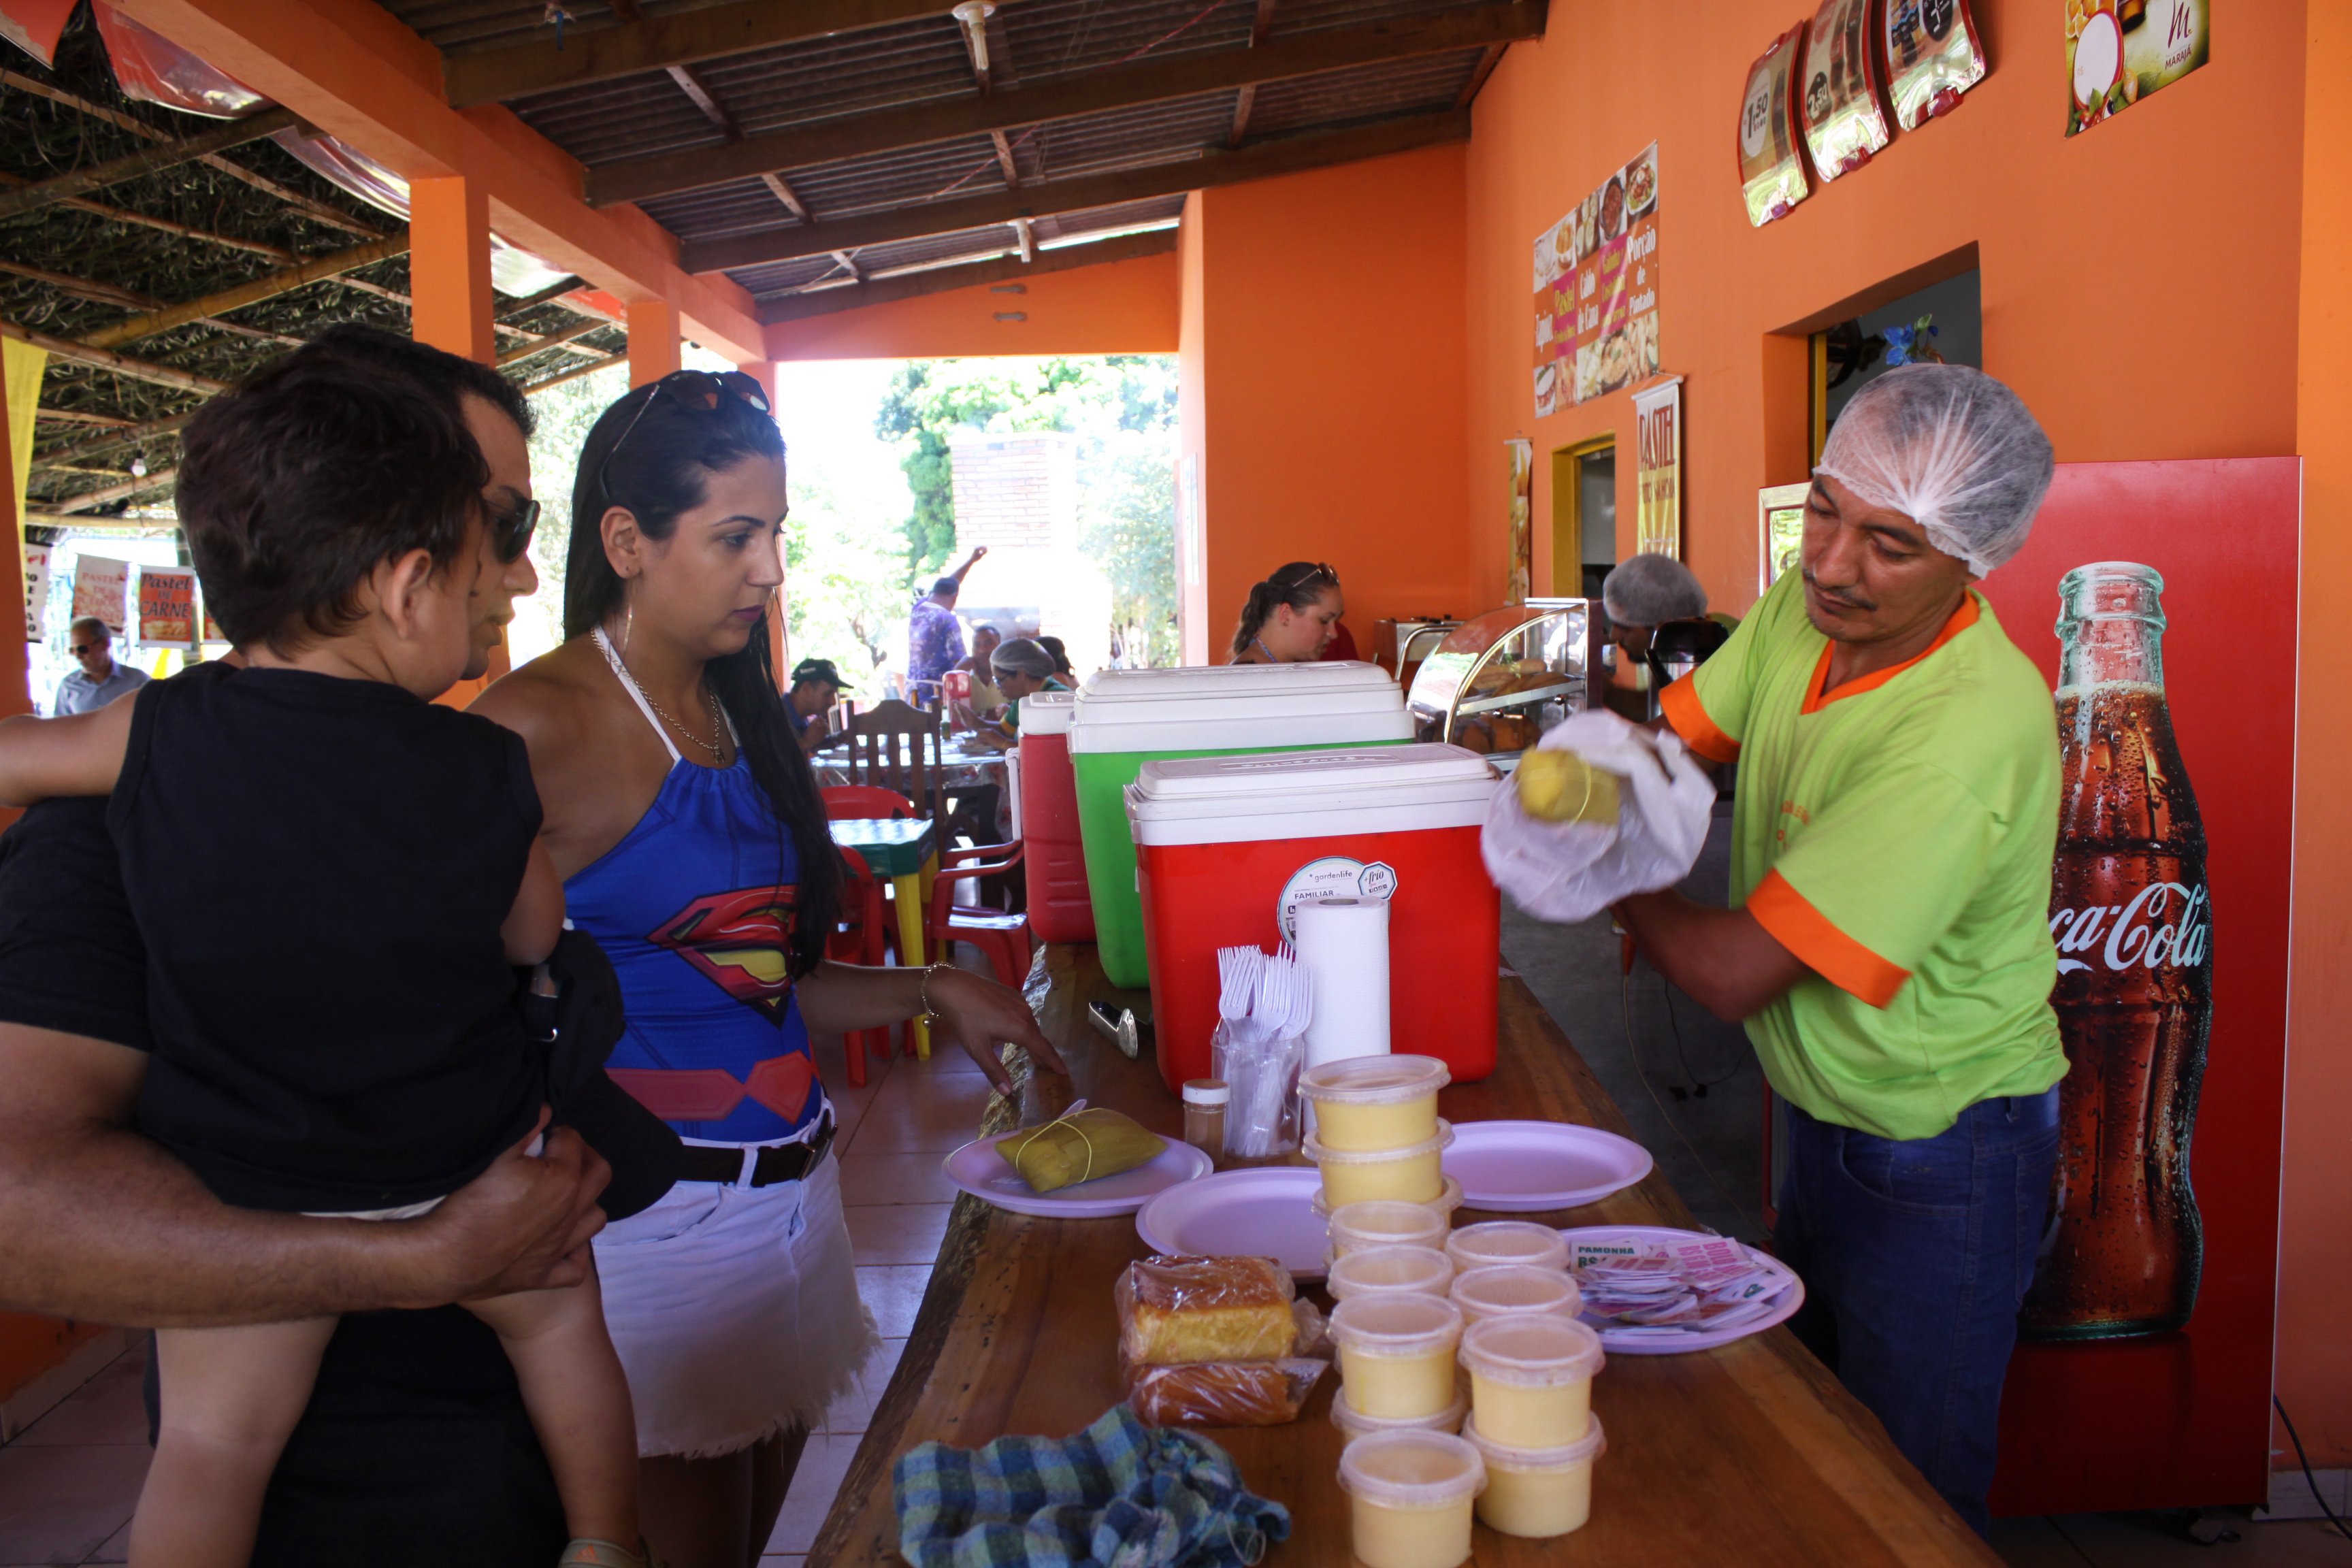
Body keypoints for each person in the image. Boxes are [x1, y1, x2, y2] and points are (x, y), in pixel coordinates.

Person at [0, 361, 649, 1568]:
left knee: (209, 1442)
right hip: (469, 1165)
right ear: (407, 583)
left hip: (257, 1180)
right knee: (565, 1335)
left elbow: (19, 757)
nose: (511, 577)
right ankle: (607, 1540)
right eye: (495, 535)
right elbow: (533, 933)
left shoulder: (160, 737)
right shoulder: (477, 759)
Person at [472, 370, 1068, 1568]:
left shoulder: (740, 714)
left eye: (777, 535)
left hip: (795, 1197)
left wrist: (934, 985)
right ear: (627, 542)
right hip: (651, 1227)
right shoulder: (531, 729)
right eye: (736, 537)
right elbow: (454, 1010)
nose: (771, 571)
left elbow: (760, 981)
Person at [1613, 365, 2063, 1536]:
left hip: (1943, 1144)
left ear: (1974, 558)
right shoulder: (1804, 609)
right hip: (1824, 1114)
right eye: (1823, 510)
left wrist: (1603, 875)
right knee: (1813, 1438)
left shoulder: (1962, 732)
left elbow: (1731, 972)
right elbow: (1675, 743)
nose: (1831, 563)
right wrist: (1593, 776)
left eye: (1889, 544)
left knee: (1905, 1494)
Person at [1599, 553, 1712, 721]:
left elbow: (1676, 719)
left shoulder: (1708, 650)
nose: (1614, 635)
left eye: (1625, 628)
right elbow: (1657, 705)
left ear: (1663, 626)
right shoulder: (1677, 646)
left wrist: (1607, 692)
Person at [905, 545, 986, 704]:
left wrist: (971, 561)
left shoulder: (918, 609)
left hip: (913, 695)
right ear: (955, 598)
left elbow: (949, 584)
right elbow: (960, 664)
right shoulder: (947, 620)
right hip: (938, 697)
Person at [1228, 561, 1343, 663]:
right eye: (1324, 620)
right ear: (1285, 614)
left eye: (1336, 621)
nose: (1334, 633)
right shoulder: (1251, 676)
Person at [977, 636, 1071, 739]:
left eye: (1000, 681)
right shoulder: (1022, 699)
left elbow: (1042, 746)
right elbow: (1005, 731)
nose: (998, 688)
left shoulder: (1055, 699)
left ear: (1021, 674)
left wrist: (1001, 743)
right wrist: (975, 722)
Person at [53, 616, 148, 715]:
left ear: (104, 643)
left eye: (82, 649)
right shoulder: (68, 686)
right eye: (72, 650)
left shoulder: (138, 682)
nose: (78, 656)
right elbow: (60, 722)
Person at [785, 656, 847, 751]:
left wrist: (839, 738)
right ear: (807, 689)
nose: (833, 702)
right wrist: (806, 742)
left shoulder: (798, 715)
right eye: (827, 694)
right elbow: (769, 758)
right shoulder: (774, 717)